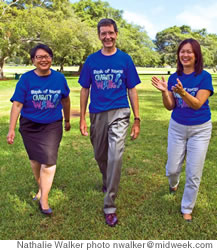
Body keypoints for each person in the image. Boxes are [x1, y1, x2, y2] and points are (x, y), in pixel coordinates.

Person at [79, 18, 141, 226]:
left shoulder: (125, 59)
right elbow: (84, 89)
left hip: (120, 113)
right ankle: (107, 181)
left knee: (115, 156)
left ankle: (110, 205)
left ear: (116, 34)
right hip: (97, 113)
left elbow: (132, 89)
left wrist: (137, 118)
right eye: (103, 33)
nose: (107, 37)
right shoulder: (91, 61)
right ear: (99, 36)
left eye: (111, 33)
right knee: (100, 155)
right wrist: (83, 119)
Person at [152, 38, 213, 222]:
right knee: (171, 169)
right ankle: (174, 183)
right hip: (177, 128)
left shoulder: (204, 77)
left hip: (200, 130)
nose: (185, 55)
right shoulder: (173, 77)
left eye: (189, 52)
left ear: (196, 55)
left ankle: (187, 207)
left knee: (194, 172)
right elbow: (170, 106)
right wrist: (165, 92)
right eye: (182, 51)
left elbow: (197, 105)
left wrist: (183, 92)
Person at [7, 44, 71, 215]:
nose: (44, 59)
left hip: (52, 124)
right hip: (30, 125)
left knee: (48, 161)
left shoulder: (59, 79)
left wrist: (67, 120)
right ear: (33, 60)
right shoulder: (26, 79)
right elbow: (17, 104)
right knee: (35, 160)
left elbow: (65, 100)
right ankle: (41, 187)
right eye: (39, 57)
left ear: (51, 58)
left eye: (47, 56)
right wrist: (11, 129)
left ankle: (44, 199)